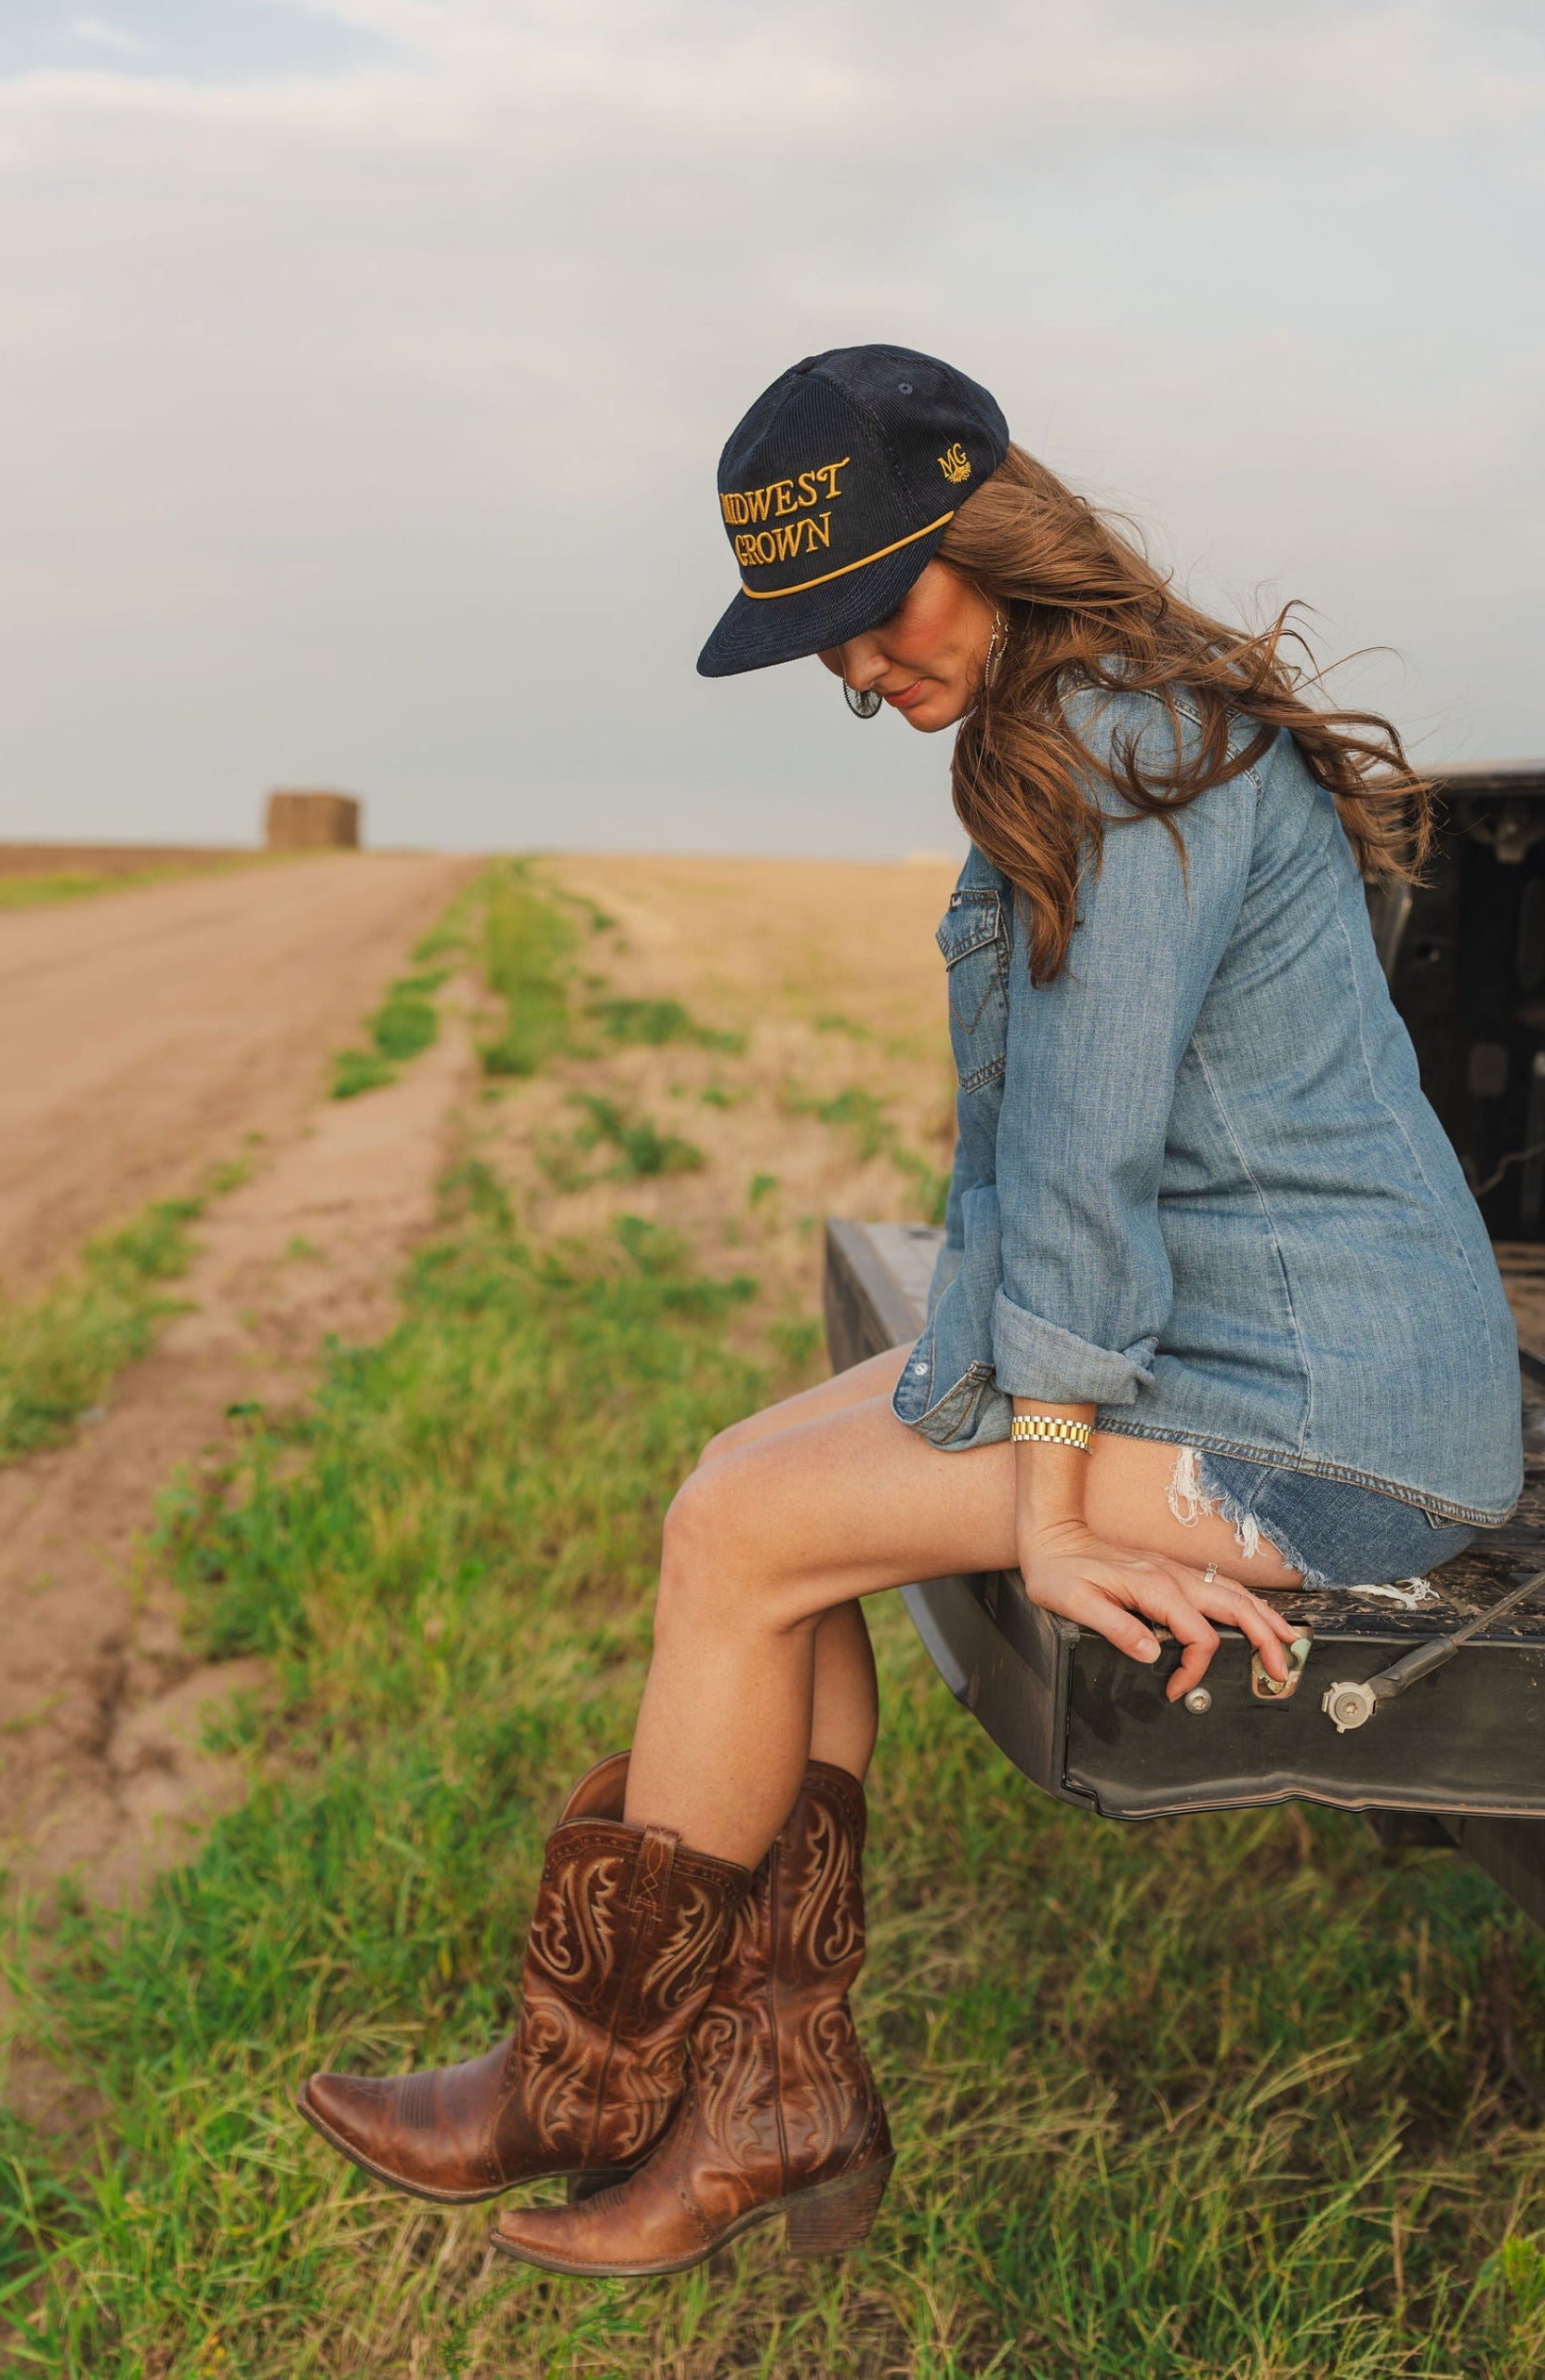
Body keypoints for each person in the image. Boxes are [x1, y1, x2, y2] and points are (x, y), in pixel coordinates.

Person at [298, 344, 1522, 2279]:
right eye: (819, 639)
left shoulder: (1125, 743)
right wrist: (957, 1381)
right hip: (1242, 1335)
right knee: (738, 1483)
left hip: (1333, 1407)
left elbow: (1087, 1158)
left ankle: (598, 2080)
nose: (852, 667)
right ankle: (760, 2078)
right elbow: (1033, 1143)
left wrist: (1041, 1505)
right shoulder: (1068, 726)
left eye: (868, 608)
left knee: (739, 1531)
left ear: (979, 532)